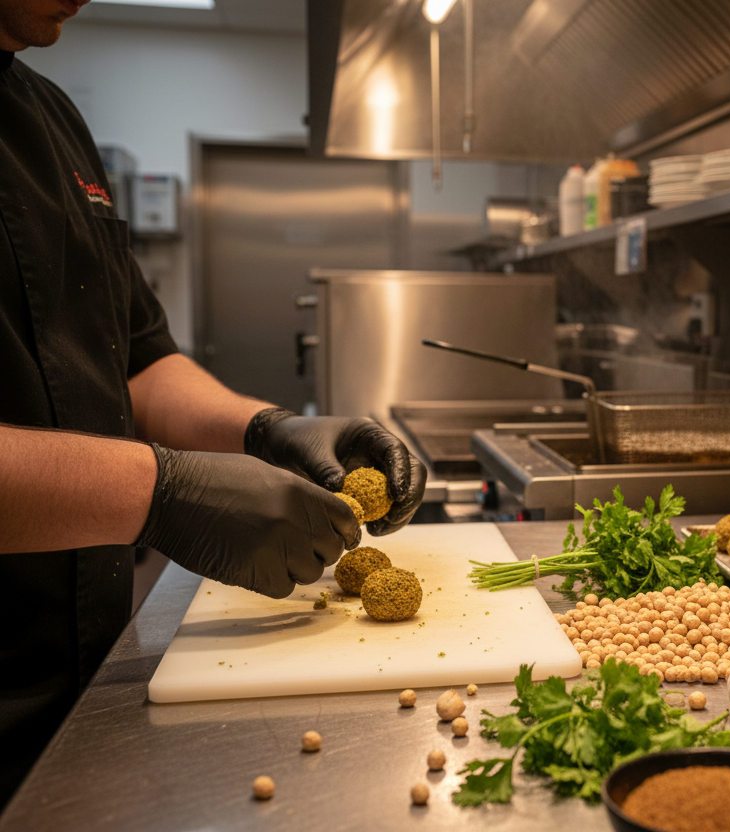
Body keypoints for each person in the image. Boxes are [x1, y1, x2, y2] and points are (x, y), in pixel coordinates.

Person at [0, 0, 427, 808]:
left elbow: (140, 362)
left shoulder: (51, 116)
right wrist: (159, 493)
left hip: (86, 678)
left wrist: (268, 429)